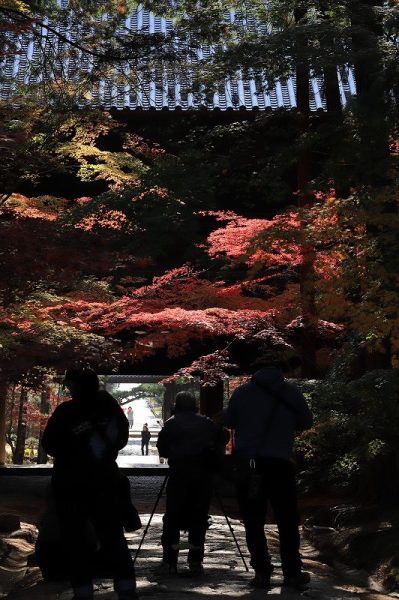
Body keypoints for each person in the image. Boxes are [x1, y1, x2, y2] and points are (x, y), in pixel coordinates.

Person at [41, 367, 138, 600]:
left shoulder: (66, 411)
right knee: (113, 535)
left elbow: (50, 444)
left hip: (70, 482)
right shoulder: (112, 410)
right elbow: (121, 440)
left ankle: (83, 591)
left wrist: (72, 450)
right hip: (105, 479)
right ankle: (126, 587)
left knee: (74, 538)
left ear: (74, 386)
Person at [224, 360, 313, 591]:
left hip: (250, 465)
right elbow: (306, 421)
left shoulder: (242, 392)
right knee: (287, 520)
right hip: (280, 463)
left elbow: (229, 422)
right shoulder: (291, 391)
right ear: (279, 370)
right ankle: (292, 573)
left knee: (253, 520)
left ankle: (262, 572)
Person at [156, 391, 218, 577]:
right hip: (202, 476)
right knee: (198, 518)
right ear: (195, 406)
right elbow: (221, 438)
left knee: (173, 519)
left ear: (176, 406)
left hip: (179, 475)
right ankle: (195, 560)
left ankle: (170, 559)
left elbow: (163, 449)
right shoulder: (207, 423)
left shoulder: (171, 424)